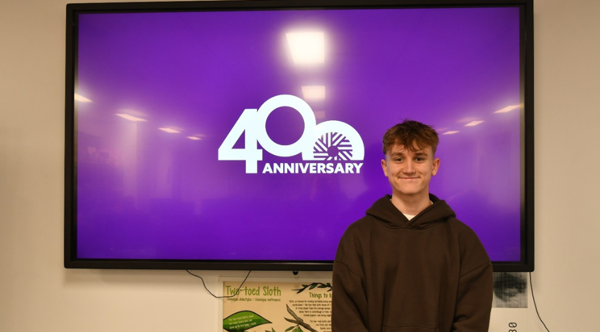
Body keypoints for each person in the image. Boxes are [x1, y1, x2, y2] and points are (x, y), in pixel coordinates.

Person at [332, 120, 493, 332]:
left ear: (434, 166)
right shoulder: (357, 237)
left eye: (418, 158)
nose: (409, 169)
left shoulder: (463, 240)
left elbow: (472, 323)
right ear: (385, 167)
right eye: (399, 159)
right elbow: (346, 321)